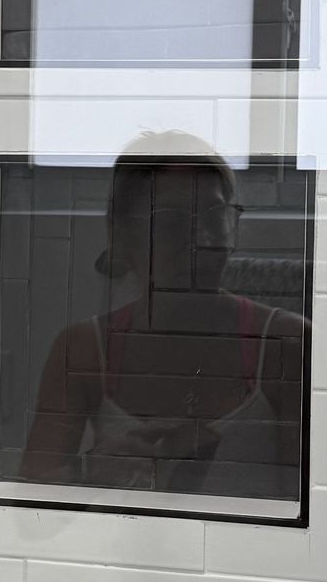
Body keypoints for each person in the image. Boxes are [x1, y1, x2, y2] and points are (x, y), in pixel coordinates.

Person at [20, 135, 307, 502]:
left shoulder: (288, 343)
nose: (201, 239)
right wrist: (94, 472)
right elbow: (29, 508)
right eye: (171, 222)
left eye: (215, 218)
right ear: (124, 234)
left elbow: (315, 509)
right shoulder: (82, 350)